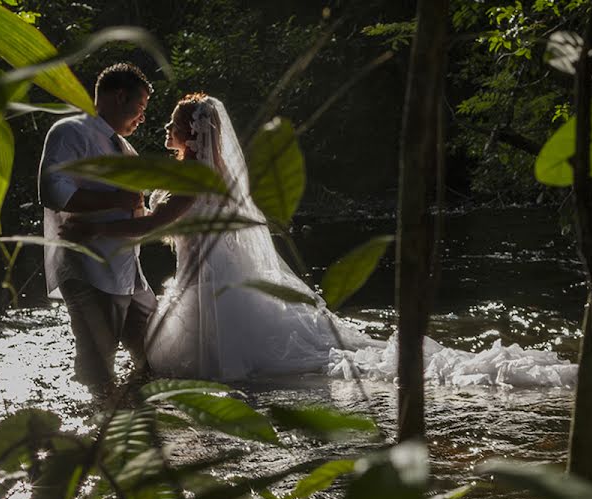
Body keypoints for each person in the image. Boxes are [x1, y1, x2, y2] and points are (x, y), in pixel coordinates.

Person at [61, 93, 373, 381]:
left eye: (174, 122)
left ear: (191, 133)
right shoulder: (208, 172)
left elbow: (155, 225)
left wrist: (96, 228)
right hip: (214, 276)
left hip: (205, 286)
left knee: (204, 364)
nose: (167, 126)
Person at [38, 63, 157, 388]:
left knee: (155, 357)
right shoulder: (70, 131)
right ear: (120, 96)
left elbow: (134, 206)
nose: (142, 117)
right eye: (141, 107)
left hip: (129, 272)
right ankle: (91, 430)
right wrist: (117, 201)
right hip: (89, 269)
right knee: (98, 368)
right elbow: (53, 190)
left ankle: (145, 421)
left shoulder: (125, 148)